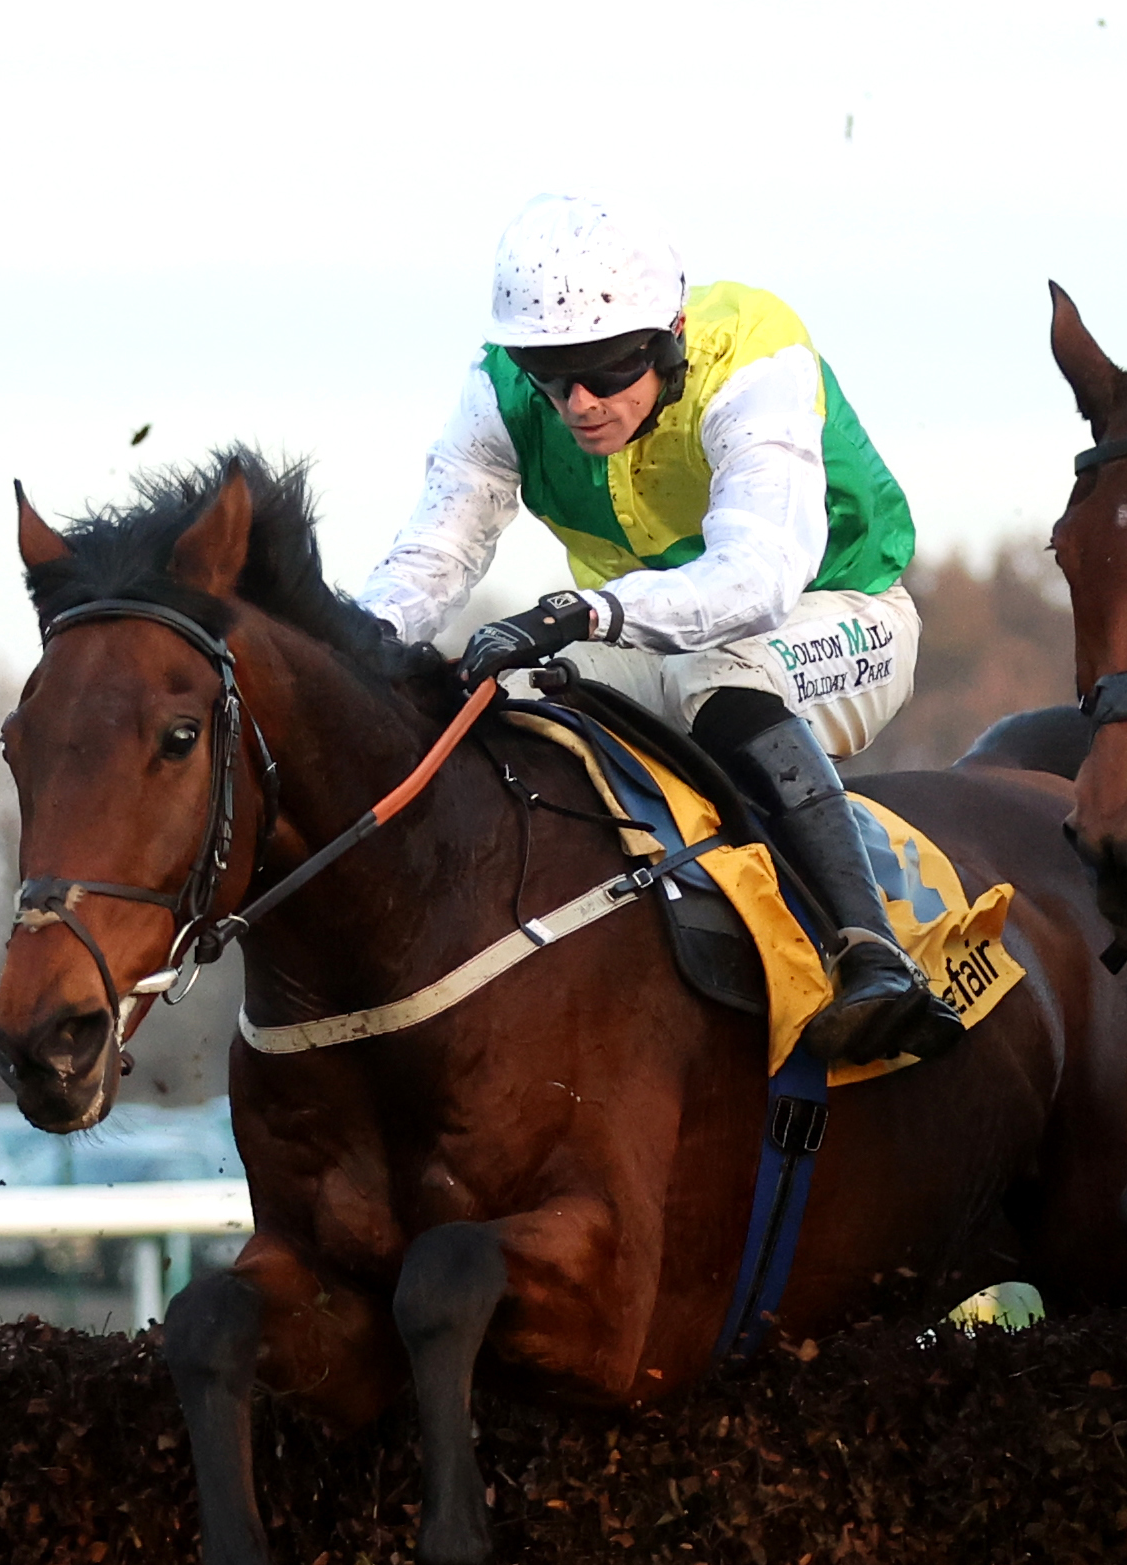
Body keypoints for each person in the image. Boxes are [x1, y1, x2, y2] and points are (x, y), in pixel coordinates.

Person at [358, 193, 962, 1068]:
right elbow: (434, 554)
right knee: (500, 694)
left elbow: (756, 579)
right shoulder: (499, 394)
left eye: (607, 371)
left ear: (670, 337)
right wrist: (354, 641)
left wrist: (587, 611)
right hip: (652, 638)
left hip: (840, 615)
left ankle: (871, 953)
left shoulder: (754, 357)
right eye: (549, 373)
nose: (578, 403)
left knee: (717, 675)